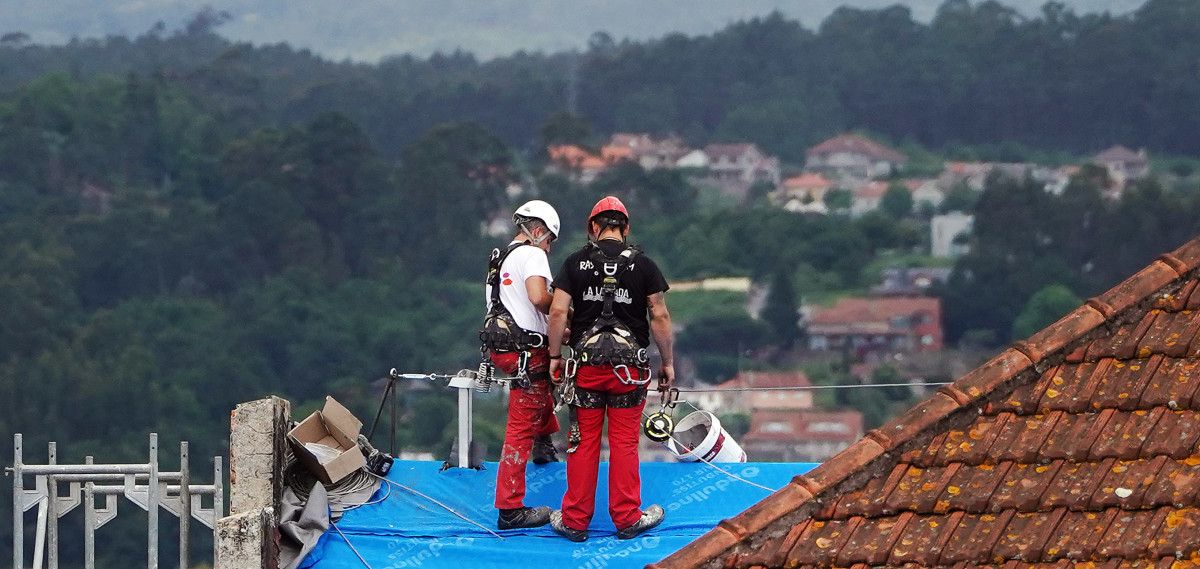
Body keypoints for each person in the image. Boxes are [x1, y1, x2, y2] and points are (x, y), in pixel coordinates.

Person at [546, 195, 675, 542]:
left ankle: (574, 521)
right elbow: (659, 315)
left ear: (593, 227)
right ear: (626, 228)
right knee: (624, 443)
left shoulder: (574, 263)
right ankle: (627, 518)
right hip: (628, 372)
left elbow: (558, 312)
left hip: (586, 370)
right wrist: (668, 362)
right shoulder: (644, 266)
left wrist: (555, 355)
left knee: (583, 443)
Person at [480, 199, 562, 530]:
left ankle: (544, 445)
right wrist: (565, 313)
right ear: (539, 231)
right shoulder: (532, 255)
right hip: (528, 350)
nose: (549, 249)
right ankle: (510, 508)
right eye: (550, 241)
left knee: (543, 390)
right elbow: (539, 298)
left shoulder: (499, 260)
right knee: (520, 424)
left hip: (504, 349)